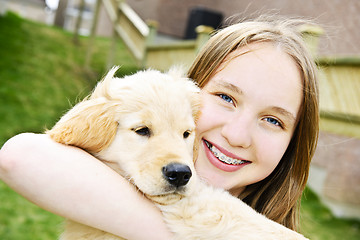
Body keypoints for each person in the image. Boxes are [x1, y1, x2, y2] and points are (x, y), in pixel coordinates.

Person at [0, 15, 319, 239]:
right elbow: (20, 156)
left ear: (294, 143)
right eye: (225, 97)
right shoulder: (121, 170)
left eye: (273, 120)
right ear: (189, 92)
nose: (236, 135)